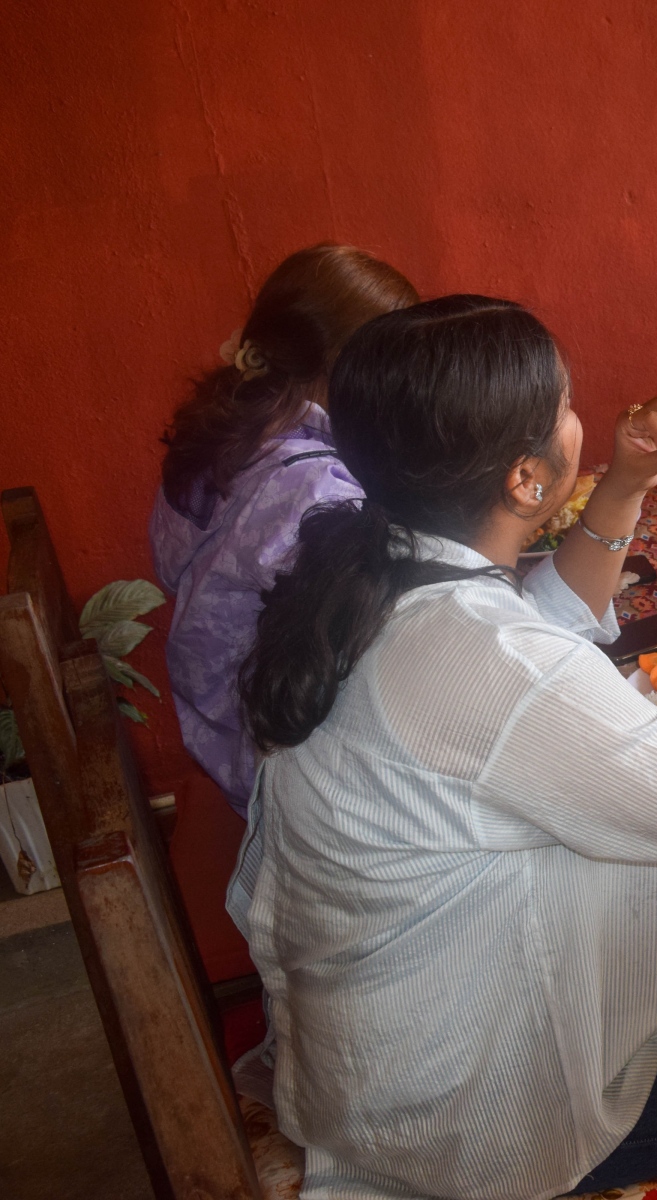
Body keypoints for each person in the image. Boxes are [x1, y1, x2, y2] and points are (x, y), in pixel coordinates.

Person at [226, 296, 657, 1199]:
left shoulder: (384, 568)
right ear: (526, 481)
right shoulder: (488, 662)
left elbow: (539, 630)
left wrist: (622, 487)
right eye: (565, 407)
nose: (581, 417)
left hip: (380, 1069)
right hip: (473, 1122)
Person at [150, 243, 419, 816]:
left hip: (217, 718)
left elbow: (167, 562)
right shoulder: (314, 490)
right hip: (281, 764)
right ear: (348, 365)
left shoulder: (227, 426)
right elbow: (382, 631)